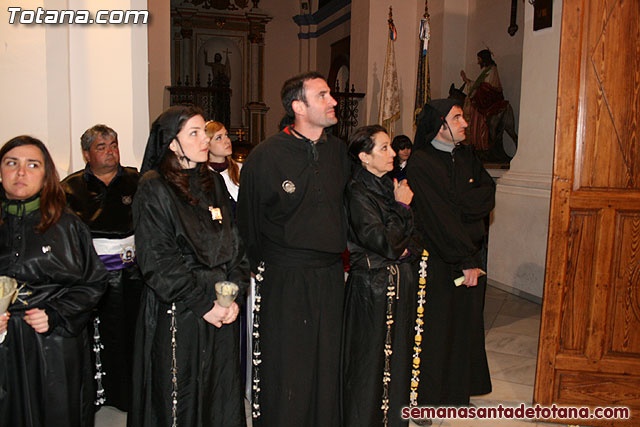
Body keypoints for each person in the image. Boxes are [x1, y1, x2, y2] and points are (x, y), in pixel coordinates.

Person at [237, 71, 351, 427]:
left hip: (331, 275)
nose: (333, 101)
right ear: (298, 106)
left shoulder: (339, 152)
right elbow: (248, 223)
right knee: (290, 365)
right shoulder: (265, 156)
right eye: (323, 95)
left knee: (328, 359)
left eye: (331, 94)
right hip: (286, 277)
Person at [129, 105, 249, 427]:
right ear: (172, 142)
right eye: (193, 134)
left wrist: (233, 295)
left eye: (202, 132)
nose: (203, 141)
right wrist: (202, 303)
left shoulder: (215, 183)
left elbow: (236, 246)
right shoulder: (154, 188)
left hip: (221, 305)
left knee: (219, 393)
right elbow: (157, 260)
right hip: (179, 308)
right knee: (179, 396)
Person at [0, 136, 108, 426]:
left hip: (53, 344)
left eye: (32, 165)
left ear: (46, 175)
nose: (21, 173)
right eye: (12, 163)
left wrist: (57, 313)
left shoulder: (66, 225)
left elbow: (94, 282)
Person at [406, 99, 495, 410]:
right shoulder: (421, 163)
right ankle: (425, 401)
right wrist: (466, 259)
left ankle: (456, 394)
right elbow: (438, 217)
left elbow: (486, 196)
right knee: (434, 329)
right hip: (440, 260)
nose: (466, 123)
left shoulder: (468, 156)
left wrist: (459, 207)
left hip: (468, 251)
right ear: (439, 125)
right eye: (457, 118)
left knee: (464, 326)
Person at [342, 125, 421, 427]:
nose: (393, 153)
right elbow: (384, 242)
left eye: (391, 147)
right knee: (369, 364)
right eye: (384, 148)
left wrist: (399, 245)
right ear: (364, 156)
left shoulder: (391, 185)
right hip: (372, 289)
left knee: (396, 359)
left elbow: (414, 238)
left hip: (396, 282)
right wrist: (401, 208)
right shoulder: (357, 192)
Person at [61, 124, 143, 412]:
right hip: (92, 276)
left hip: (134, 274)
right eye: (101, 147)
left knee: (132, 335)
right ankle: (97, 396)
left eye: (114, 145)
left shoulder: (137, 180)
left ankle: (130, 395)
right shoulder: (69, 188)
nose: (110, 152)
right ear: (86, 153)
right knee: (97, 338)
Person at [460, 49, 508, 152]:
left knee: (473, 108)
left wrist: (476, 90)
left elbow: (488, 87)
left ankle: (480, 144)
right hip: (484, 96)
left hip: (489, 98)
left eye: (479, 59)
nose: (478, 62)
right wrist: (466, 80)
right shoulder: (486, 70)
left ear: (484, 59)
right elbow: (478, 85)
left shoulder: (492, 70)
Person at [206, 120, 241, 202]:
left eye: (226, 135)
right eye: (219, 138)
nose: (227, 141)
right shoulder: (203, 175)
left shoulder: (240, 169)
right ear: (207, 144)